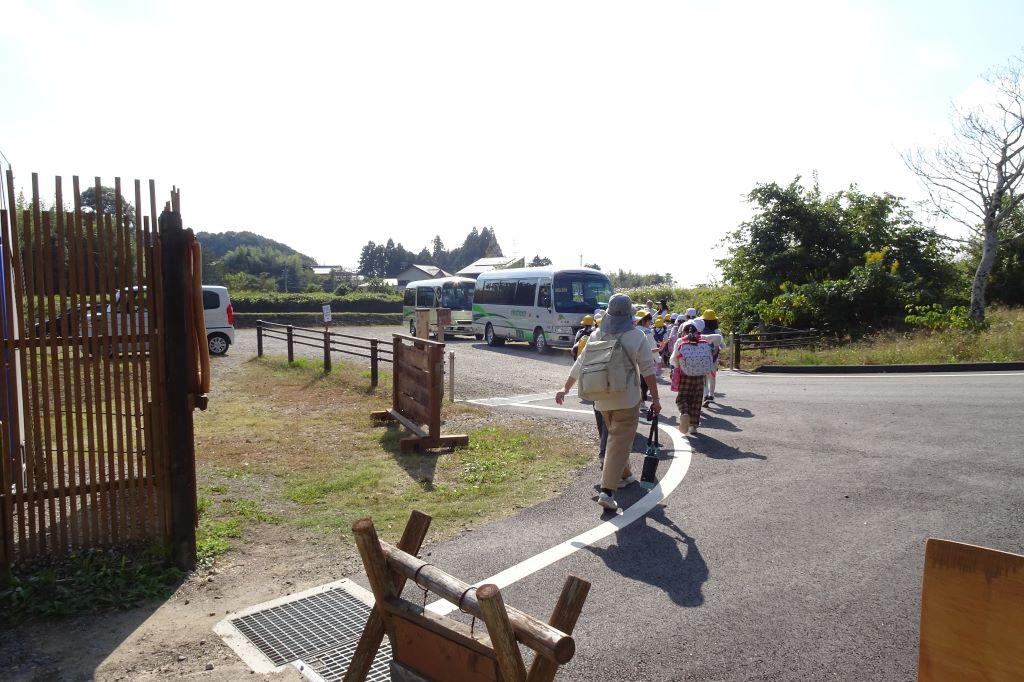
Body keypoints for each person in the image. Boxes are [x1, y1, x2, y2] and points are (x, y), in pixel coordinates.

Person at [556, 293, 660, 512]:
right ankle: (608, 491)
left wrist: (565, 388)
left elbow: (580, 364)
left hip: (601, 397)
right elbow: (649, 371)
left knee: (616, 439)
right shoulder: (637, 336)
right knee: (618, 442)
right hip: (627, 397)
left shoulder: (596, 334)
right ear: (630, 313)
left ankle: (626, 475)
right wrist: (656, 399)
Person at [671, 318, 709, 435]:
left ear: (683, 331)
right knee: (696, 400)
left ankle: (684, 413)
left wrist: (678, 366)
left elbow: (673, 359)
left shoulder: (680, 341)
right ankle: (693, 426)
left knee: (682, 398)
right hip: (700, 376)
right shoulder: (702, 341)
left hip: (685, 375)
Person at [700, 309, 724, 405]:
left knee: (704, 377)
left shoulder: (700, 330)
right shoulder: (717, 331)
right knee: (712, 376)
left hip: (702, 357)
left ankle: (705, 395)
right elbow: (723, 345)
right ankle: (711, 395)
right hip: (714, 358)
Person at [635, 310, 655, 404]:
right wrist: (658, 358)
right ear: (644, 321)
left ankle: (638, 400)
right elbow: (652, 346)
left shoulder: (632, 330)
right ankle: (642, 400)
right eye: (649, 322)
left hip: (633, 360)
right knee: (645, 381)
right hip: (645, 359)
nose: (650, 324)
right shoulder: (647, 332)